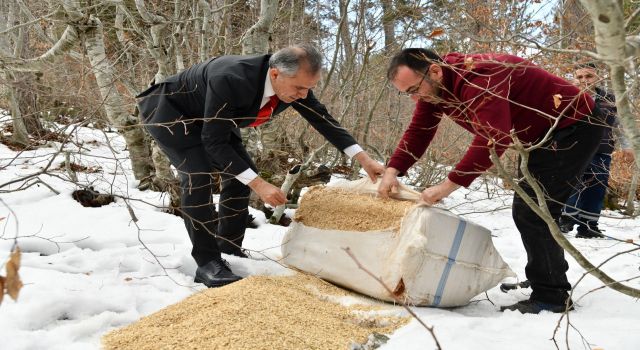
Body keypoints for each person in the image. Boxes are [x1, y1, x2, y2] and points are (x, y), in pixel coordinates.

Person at [136, 44, 384, 288]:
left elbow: (322, 118)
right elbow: (213, 141)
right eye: (299, 88)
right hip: (170, 112)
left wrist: (364, 159)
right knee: (198, 174)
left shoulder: (294, 84)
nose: (304, 95)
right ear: (275, 73)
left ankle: (229, 250)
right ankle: (207, 263)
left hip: (214, 117)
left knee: (239, 175)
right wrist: (259, 184)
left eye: (310, 88)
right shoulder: (231, 78)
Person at [378, 48, 604, 314]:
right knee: (534, 208)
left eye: (415, 89)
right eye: (407, 94)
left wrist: (447, 185)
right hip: (544, 133)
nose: (415, 97)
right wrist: (393, 169)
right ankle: (545, 277)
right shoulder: (436, 88)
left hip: (575, 125)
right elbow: (419, 130)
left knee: (534, 211)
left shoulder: (479, 76)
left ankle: (552, 296)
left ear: (435, 71)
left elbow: (493, 137)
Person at [558, 63, 633, 238]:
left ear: (598, 77)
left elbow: (620, 126)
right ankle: (565, 220)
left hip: (602, 151)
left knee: (596, 189)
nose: (584, 80)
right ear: (574, 78)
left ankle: (588, 227)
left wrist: (627, 146)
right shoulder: (567, 96)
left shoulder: (610, 99)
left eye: (589, 76)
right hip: (573, 149)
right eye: (580, 77)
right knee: (571, 185)